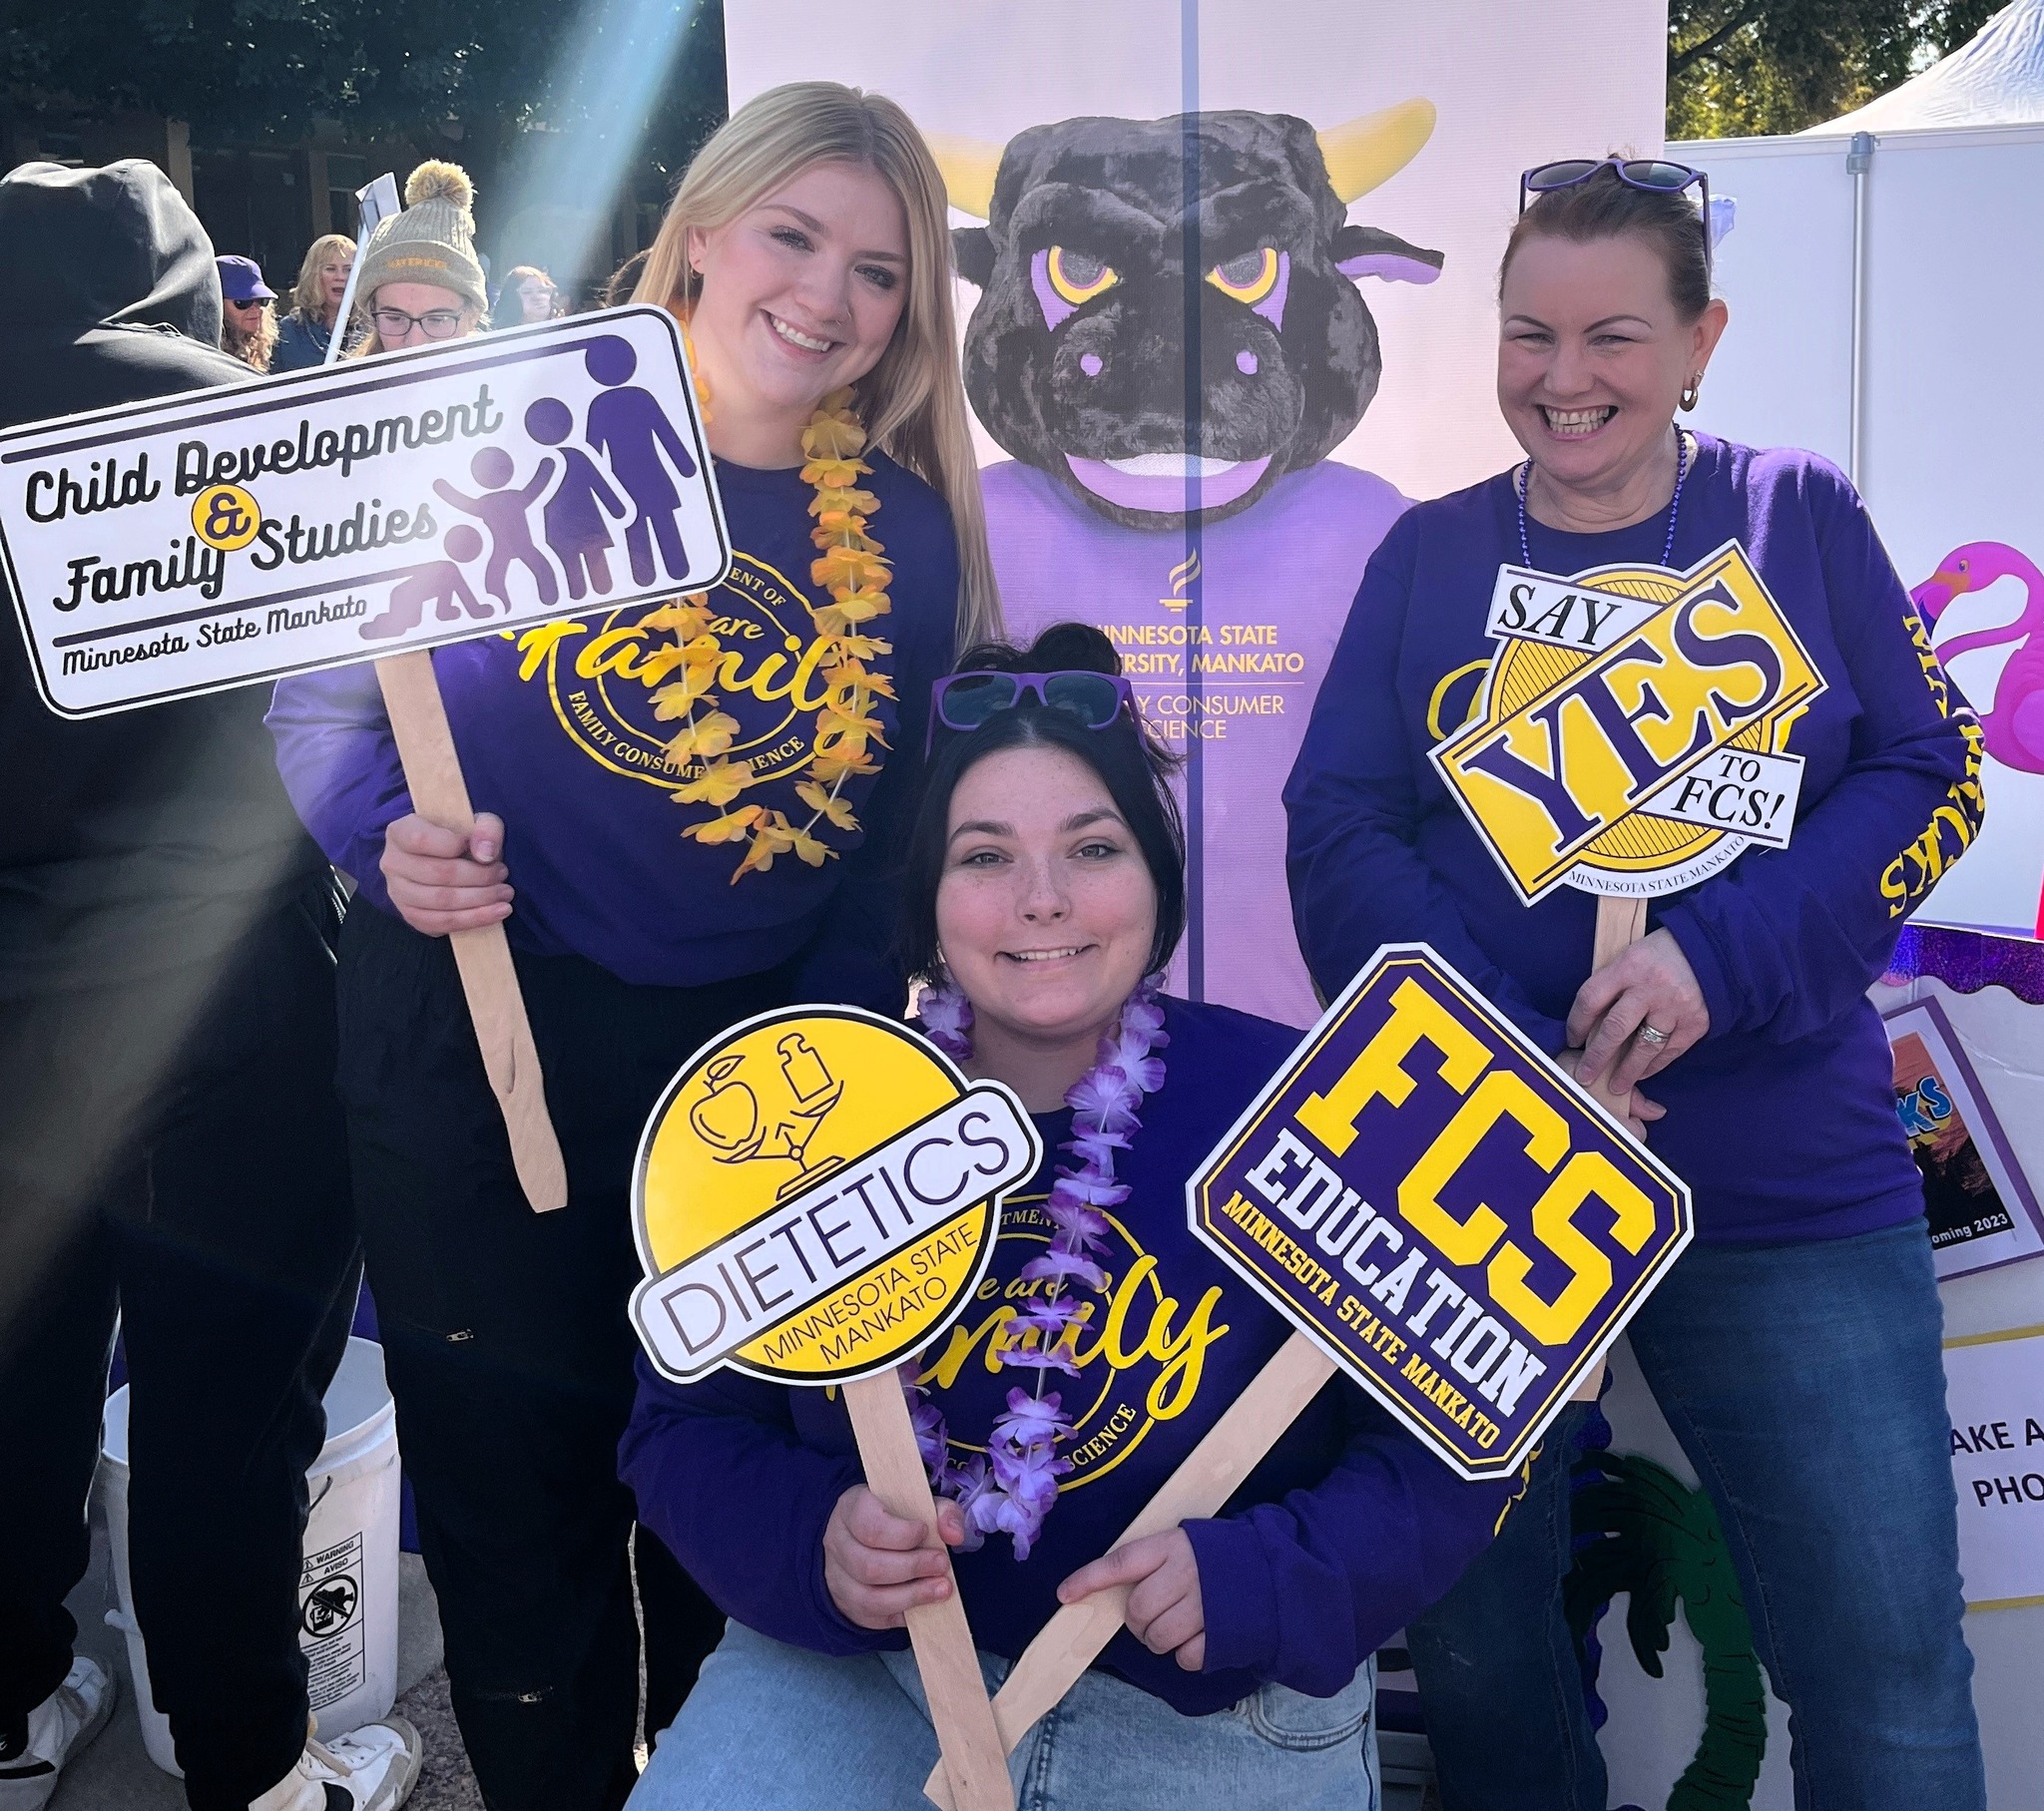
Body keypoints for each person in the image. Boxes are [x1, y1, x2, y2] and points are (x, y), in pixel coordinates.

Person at [266, 84, 1000, 1811]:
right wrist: (387, 841)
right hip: (474, 1050)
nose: (827, 298)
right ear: (698, 234)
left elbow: (876, 855)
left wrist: (821, 1100)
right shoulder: (509, 439)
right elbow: (324, 702)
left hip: (741, 1097)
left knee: (714, 1515)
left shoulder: (898, 535)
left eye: (879, 273)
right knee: (516, 1522)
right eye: (793, 237)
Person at [1283, 157, 1987, 1809]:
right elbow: (1335, 830)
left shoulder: (1789, 514)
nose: (1561, 376)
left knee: (1882, 1673)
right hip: (1483, 1193)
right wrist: (1520, 1051)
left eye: (1609, 334)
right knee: (1479, 1667)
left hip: (1781, 1190)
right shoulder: (1427, 558)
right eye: (1526, 333)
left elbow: (1924, 771)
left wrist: (1711, 960)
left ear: (1699, 337)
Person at [618, 622, 1517, 1811]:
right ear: (928, 898)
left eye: (1091, 847)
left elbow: (1455, 1451)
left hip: (1213, 1716)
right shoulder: (815, 1114)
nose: (1041, 900)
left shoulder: (1316, 1109)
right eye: (983, 857)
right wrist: (811, 1542)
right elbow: (684, 1431)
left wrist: (1267, 1575)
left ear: (1156, 874)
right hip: (859, 1685)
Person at [0, 162, 417, 1811]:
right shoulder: (242, 436)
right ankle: (252, 1767)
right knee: (224, 1414)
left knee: (19, 1377)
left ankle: (14, 1704)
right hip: (228, 1011)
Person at [343, 162, 490, 357]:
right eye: (395, 318)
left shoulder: (513, 385)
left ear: (473, 315)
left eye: (438, 320)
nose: (414, 343)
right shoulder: (347, 386)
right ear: (373, 313)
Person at [272, 231, 355, 370]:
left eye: (348, 269)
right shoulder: (288, 331)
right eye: (330, 269)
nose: (340, 277)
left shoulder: (373, 326)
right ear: (313, 274)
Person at [217, 253, 278, 372]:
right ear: (218, 304)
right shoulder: (206, 353)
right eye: (243, 302)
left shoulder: (276, 349)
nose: (257, 309)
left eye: (262, 300)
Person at [493, 264, 560, 329]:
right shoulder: (502, 338)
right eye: (527, 292)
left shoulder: (566, 332)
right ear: (512, 300)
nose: (537, 297)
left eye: (542, 291)